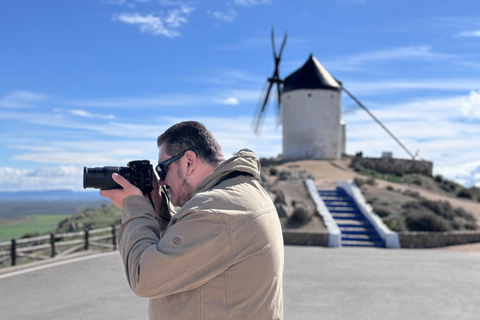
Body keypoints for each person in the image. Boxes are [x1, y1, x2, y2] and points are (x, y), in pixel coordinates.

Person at [100, 121, 284, 320]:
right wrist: (158, 206)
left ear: (189, 161)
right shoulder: (241, 191)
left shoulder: (217, 209)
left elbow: (143, 278)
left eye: (162, 169)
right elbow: (184, 250)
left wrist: (134, 205)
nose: (160, 181)